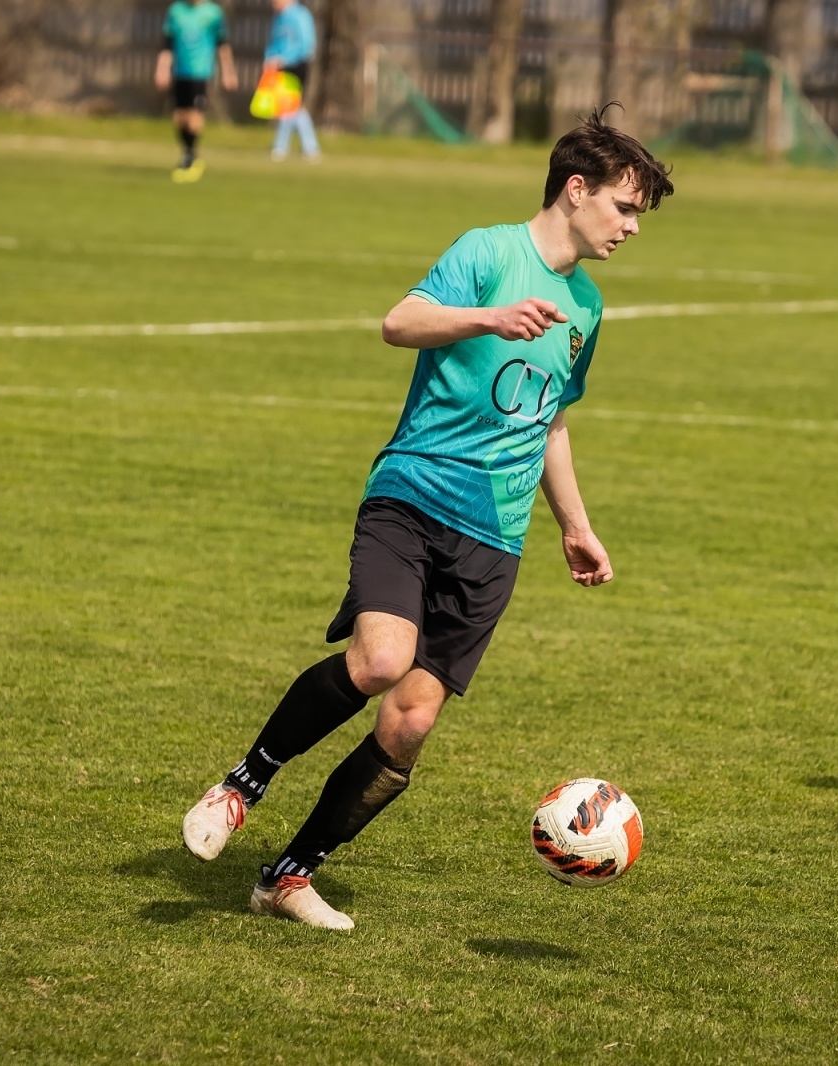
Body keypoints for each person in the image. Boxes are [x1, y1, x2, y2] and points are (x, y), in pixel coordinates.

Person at [180, 106, 675, 928]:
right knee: (381, 659)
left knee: (408, 721)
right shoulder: (487, 251)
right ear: (576, 189)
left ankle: (289, 876)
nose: (630, 226)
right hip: (413, 496)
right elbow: (397, 322)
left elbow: (549, 418)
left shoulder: (587, 309)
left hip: (494, 539)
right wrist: (487, 316)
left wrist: (574, 524)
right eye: (624, 207)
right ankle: (241, 787)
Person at [153, 0, 236, 183]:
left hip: (200, 72)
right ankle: (188, 152)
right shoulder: (176, 11)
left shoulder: (213, 13)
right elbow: (167, 44)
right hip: (179, 71)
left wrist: (228, 72)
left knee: (194, 115)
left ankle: (190, 156)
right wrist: (162, 69)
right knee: (179, 116)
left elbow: (222, 44)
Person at [266, 0, 320, 162]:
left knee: (289, 105)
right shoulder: (279, 17)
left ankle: (282, 146)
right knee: (291, 106)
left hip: (297, 64)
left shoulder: (300, 15)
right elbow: (274, 42)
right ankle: (310, 147)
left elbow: (306, 44)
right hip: (278, 65)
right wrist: (269, 59)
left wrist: (285, 59)